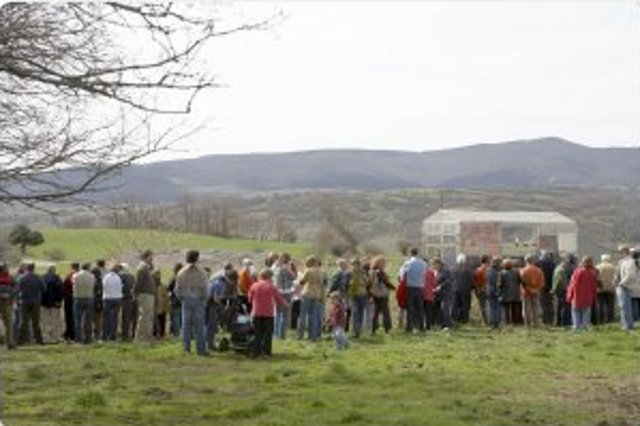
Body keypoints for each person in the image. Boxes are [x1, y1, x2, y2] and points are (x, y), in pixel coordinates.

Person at [175, 250, 209, 355]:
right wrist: (204, 299)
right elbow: (206, 289)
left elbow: (177, 289)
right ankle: (201, 349)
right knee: (199, 325)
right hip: (198, 299)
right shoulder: (201, 272)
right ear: (197, 258)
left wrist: (181, 298)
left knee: (186, 325)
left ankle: (186, 349)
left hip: (186, 300)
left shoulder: (181, 272)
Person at [249, 268, 287, 358]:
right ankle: (266, 353)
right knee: (267, 334)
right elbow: (278, 298)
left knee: (257, 334)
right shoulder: (271, 286)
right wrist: (286, 304)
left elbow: (250, 298)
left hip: (256, 313)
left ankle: (256, 353)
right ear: (269, 276)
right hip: (268, 313)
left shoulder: (254, 285)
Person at [567, 256, 599, 331]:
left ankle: (576, 326)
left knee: (575, 311)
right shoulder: (592, 273)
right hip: (588, 296)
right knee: (586, 311)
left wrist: (569, 295)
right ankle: (584, 326)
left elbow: (572, 285)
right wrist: (594, 295)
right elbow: (594, 286)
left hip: (577, 295)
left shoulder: (577, 272)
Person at [297, 256, 324, 341]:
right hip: (317, 294)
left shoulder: (308, 270)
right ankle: (312, 336)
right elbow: (322, 284)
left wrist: (299, 281)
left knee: (303, 315)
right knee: (313, 316)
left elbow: (302, 281)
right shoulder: (321, 271)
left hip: (307, 293)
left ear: (309, 262)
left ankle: (300, 335)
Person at [400, 248, 427, 333]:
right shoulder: (423, 263)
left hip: (410, 287)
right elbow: (425, 274)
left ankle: (409, 327)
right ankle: (421, 327)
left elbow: (402, 275)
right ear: (417, 253)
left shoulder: (408, 263)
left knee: (410, 308)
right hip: (420, 287)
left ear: (410, 253)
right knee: (420, 308)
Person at [18, 263, 44, 345]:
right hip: (35, 301)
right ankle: (39, 340)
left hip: (24, 301)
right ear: (34, 268)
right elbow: (44, 288)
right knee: (35, 322)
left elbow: (18, 288)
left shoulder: (21, 278)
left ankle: (21, 340)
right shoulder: (38, 277)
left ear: (27, 268)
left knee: (23, 322)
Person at [272, 253, 297, 340]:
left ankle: (275, 334)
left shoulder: (274, 267)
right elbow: (294, 277)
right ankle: (281, 335)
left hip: (276, 291)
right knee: (284, 314)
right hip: (286, 292)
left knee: (277, 314)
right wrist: (290, 269)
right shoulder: (285, 268)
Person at [369, 256, 395, 334]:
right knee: (383, 312)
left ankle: (375, 330)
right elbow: (386, 283)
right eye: (382, 262)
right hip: (379, 295)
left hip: (379, 294)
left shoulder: (376, 272)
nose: (383, 264)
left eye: (384, 263)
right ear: (377, 263)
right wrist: (394, 288)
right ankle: (385, 329)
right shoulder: (377, 272)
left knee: (378, 313)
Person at [135, 250, 156, 342]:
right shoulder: (142, 267)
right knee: (144, 317)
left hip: (148, 295)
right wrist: (136, 293)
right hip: (145, 294)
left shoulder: (146, 267)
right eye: (150, 257)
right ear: (146, 257)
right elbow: (138, 282)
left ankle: (147, 337)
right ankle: (140, 338)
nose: (152, 259)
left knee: (148, 316)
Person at [615, 245, 637, 331]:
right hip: (623, 285)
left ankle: (627, 325)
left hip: (625, 286)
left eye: (620, 251)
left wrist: (621, 283)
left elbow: (630, 274)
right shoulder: (624, 261)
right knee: (623, 306)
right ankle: (626, 324)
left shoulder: (629, 261)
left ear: (625, 251)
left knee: (625, 306)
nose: (619, 253)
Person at [72, 263, 96, 344]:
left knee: (78, 319)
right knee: (88, 319)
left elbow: (73, 284)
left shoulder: (75, 275)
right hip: (89, 298)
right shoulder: (92, 276)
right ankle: (88, 338)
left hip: (78, 297)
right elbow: (93, 285)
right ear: (88, 268)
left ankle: (78, 338)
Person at [41, 264, 64, 343]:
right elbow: (60, 291)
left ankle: (45, 338)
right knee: (55, 321)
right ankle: (55, 338)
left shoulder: (43, 277)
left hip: (44, 302)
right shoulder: (57, 278)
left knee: (45, 320)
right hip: (55, 302)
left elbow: (41, 290)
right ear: (54, 270)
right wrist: (59, 301)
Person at [520, 255, 545, 328]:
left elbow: (522, 283)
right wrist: (536, 289)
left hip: (526, 292)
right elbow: (542, 282)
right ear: (533, 261)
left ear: (526, 261)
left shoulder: (523, 270)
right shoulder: (539, 270)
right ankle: (536, 322)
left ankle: (527, 324)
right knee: (536, 307)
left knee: (526, 308)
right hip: (536, 291)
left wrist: (529, 289)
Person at [347, 257, 368, 338]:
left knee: (361, 314)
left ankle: (358, 332)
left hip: (362, 294)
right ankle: (356, 332)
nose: (355, 266)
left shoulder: (363, 273)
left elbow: (367, 282)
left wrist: (362, 279)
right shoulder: (349, 273)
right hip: (353, 295)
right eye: (353, 264)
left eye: (357, 265)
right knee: (355, 313)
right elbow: (345, 284)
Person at [102, 264, 123, 341]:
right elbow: (120, 288)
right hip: (117, 298)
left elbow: (104, 286)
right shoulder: (118, 278)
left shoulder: (106, 277)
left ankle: (105, 335)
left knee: (106, 318)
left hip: (108, 298)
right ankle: (113, 336)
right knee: (115, 318)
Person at [452, 253, 474, 324]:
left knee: (456, 305)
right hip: (466, 290)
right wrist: (471, 287)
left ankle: (455, 319)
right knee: (465, 306)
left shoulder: (453, 269)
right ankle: (464, 320)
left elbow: (451, 280)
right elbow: (472, 280)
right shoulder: (469, 270)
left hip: (455, 290)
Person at [432, 257, 453, 330]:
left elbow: (449, 281)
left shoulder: (445, 271)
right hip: (437, 294)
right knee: (438, 310)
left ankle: (448, 325)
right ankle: (440, 324)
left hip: (445, 293)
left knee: (445, 309)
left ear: (439, 264)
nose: (433, 266)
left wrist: (440, 286)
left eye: (434, 265)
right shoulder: (435, 271)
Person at [552, 254, 573, 327]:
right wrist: (567, 289)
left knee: (558, 307)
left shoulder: (557, 268)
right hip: (562, 290)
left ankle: (557, 322)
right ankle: (564, 322)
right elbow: (562, 282)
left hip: (557, 290)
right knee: (564, 307)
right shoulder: (562, 270)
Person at [499, 259, 522, 326]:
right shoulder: (516, 272)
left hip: (506, 294)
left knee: (506, 309)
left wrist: (499, 289)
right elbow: (520, 281)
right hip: (515, 293)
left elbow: (500, 284)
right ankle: (515, 322)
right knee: (514, 309)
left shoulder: (502, 273)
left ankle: (507, 322)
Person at [536, 251, 556, 326]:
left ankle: (544, 320)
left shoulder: (538, 263)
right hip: (551, 286)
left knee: (542, 304)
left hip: (542, 286)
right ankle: (551, 319)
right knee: (550, 303)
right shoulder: (553, 263)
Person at [0, 263, 17, 349]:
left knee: (9, 323)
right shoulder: (10, 278)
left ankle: (9, 342)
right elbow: (15, 288)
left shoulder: (10, 278)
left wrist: (10, 294)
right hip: (5, 301)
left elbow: (16, 288)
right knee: (8, 323)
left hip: (7, 301)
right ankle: (9, 342)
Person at [596, 254, 616, 324]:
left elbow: (596, 278)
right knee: (610, 305)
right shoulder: (613, 267)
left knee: (600, 305)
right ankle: (610, 320)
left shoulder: (598, 267)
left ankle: (600, 320)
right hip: (611, 288)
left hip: (600, 288)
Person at [62, 263, 79, 342]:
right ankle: (72, 333)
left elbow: (64, 286)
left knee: (69, 317)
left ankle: (70, 333)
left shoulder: (69, 276)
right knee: (75, 316)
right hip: (76, 297)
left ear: (71, 267)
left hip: (68, 298)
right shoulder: (79, 275)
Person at [119, 264, 136, 341]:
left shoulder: (121, 277)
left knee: (125, 318)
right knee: (132, 318)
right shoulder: (132, 277)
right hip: (132, 298)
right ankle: (133, 334)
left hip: (125, 299)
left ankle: (125, 335)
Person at [167, 263, 184, 337]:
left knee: (175, 318)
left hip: (175, 300)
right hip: (182, 300)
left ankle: (176, 334)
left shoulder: (173, 278)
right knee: (180, 318)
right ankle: (180, 334)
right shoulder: (183, 278)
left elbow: (168, 289)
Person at [92, 260, 107, 341]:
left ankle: (95, 335)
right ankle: (98, 335)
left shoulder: (94, 281)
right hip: (100, 301)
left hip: (94, 301)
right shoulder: (101, 280)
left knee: (94, 319)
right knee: (98, 319)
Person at [473, 255, 491, 325]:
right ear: (487, 261)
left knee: (483, 307)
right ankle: (486, 321)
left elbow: (475, 282)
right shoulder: (486, 270)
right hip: (484, 290)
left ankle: (485, 321)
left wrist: (477, 290)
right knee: (485, 306)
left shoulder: (478, 270)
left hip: (481, 290)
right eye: (489, 260)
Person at [486, 257, 502, 329]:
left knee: (491, 307)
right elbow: (498, 283)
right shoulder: (498, 272)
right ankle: (496, 323)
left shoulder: (488, 270)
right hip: (495, 291)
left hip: (489, 290)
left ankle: (492, 322)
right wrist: (498, 292)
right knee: (497, 307)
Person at [153, 270, 168, 338]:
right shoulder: (152, 287)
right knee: (155, 322)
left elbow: (166, 296)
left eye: (159, 275)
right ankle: (155, 334)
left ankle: (162, 334)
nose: (158, 277)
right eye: (156, 275)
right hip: (155, 306)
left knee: (162, 321)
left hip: (162, 306)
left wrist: (167, 306)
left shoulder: (163, 286)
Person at [424, 264, 437, 330]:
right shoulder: (431, 272)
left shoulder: (421, 272)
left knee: (421, 311)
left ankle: (420, 325)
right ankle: (428, 326)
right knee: (428, 312)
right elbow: (434, 283)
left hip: (422, 294)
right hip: (429, 295)